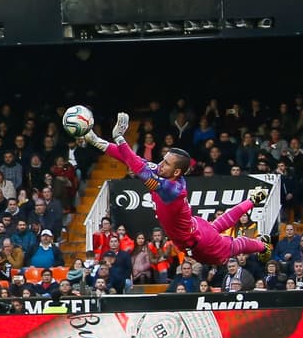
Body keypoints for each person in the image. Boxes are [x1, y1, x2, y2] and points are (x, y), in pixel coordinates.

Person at [81, 113, 271, 266]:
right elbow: (131, 160)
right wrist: (96, 140)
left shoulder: (172, 191)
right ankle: (252, 200)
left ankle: (263, 247)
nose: (160, 165)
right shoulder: (165, 174)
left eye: (166, 163)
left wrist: (121, 139)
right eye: (163, 160)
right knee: (219, 224)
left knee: (234, 245)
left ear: (177, 171)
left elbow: (140, 171)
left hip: (201, 246)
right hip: (195, 229)